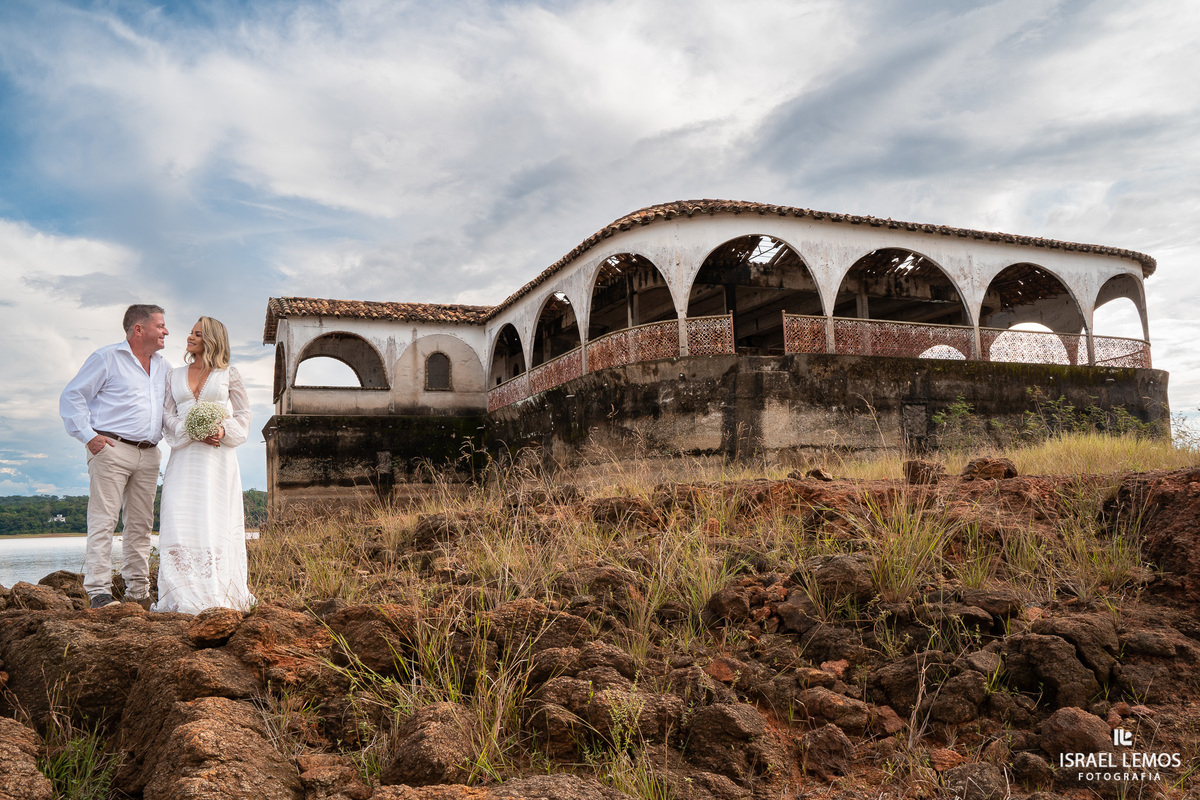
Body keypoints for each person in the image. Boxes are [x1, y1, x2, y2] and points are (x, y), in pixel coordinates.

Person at [60, 304, 170, 610]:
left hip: (149, 455)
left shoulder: (164, 367)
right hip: (111, 449)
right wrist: (89, 437)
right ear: (139, 329)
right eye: (160, 325)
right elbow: (73, 396)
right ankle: (99, 592)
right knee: (103, 521)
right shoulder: (106, 357)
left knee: (141, 526)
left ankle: (138, 591)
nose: (166, 331)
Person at [154, 316, 255, 614]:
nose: (190, 337)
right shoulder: (173, 375)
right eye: (190, 332)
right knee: (178, 514)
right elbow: (166, 416)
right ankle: (179, 593)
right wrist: (191, 430)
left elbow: (244, 416)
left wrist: (222, 432)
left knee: (215, 517)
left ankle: (219, 590)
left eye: (197, 334)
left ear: (211, 339)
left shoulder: (229, 375)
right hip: (185, 456)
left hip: (218, 458)